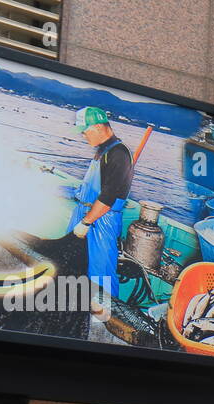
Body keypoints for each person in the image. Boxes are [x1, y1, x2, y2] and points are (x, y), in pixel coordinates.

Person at [67, 106, 133, 321]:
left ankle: (104, 322)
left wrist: (86, 223)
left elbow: (107, 199)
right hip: (86, 211)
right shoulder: (103, 150)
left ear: (97, 127)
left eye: (85, 131)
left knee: (101, 272)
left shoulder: (119, 154)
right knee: (74, 262)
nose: (83, 135)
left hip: (100, 222)